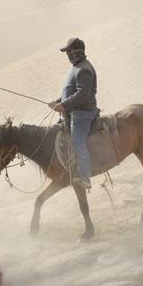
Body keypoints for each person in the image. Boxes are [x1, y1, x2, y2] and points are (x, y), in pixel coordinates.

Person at [50, 37, 98, 190]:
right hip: (73, 112)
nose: (68, 55)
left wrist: (63, 105)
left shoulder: (84, 69)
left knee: (77, 142)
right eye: (67, 52)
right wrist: (58, 101)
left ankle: (85, 177)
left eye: (69, 51)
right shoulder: (76, 67)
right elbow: (71, 91)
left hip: (82, 114)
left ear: (78, 52)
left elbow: (83, 94)